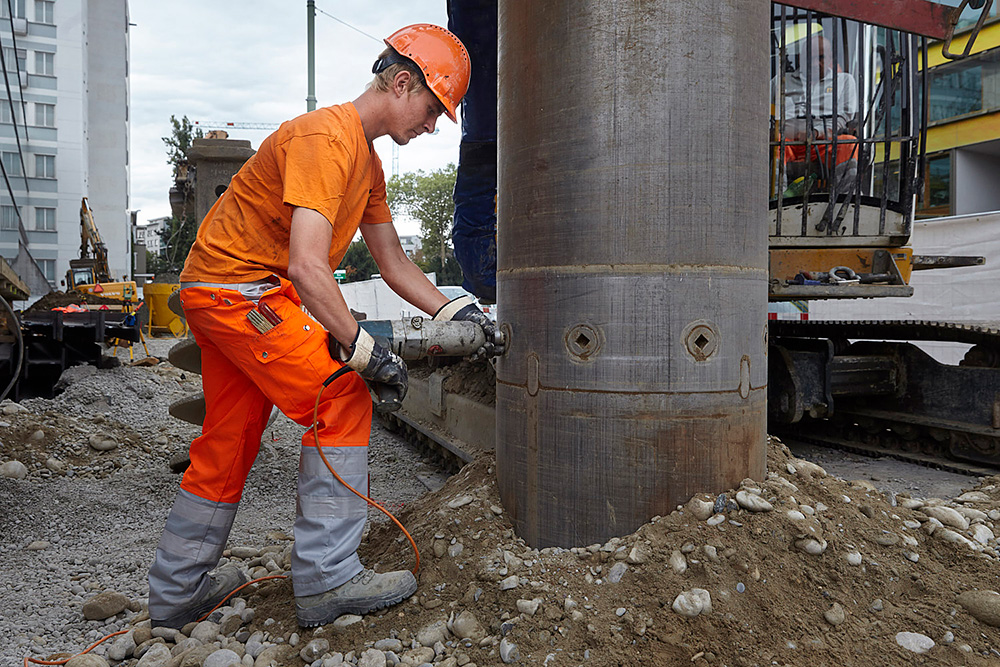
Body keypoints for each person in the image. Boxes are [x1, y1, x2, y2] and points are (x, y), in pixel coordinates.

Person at [147, 23, 495, 630]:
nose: (434, 124)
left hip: (225, 292)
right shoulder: (322, 138)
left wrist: (453, 311)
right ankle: (329, 578)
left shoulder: (365, 162)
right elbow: (309, 267)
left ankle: (179, 593)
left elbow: (392, 261)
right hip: (242, 293)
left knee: (230, 438)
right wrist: (360, 349)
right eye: (435, 109)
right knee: (341, 394)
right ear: (402, 81)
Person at [773, 33, 859, 193]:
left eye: (820, 57)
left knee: (848, 143)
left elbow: (843, 117)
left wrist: (816, 132)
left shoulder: (844, 82)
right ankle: (776, 200)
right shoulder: (780, 82)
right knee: (771, 142)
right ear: (800, 58)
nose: (813, 63)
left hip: (822, 144)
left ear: (830, 58)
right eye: (809, 57)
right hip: (786, 143)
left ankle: (845, 200)